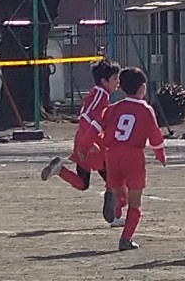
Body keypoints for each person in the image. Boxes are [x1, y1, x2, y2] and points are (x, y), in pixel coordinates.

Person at [41, 58, 124, 223]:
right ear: (104, 81)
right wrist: (90, 141)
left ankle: (60, 170)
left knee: (82, 183)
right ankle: (114, 214)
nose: (118, 82)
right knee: (115, 179)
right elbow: (85, 115)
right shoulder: (100, 94)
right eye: (115, 78)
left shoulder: (100, 94)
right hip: (92, 143)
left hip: (85, 141)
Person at [97, 67, 166, 251]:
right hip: (133, 155)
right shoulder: (145, 109)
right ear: (142, 88)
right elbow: (155, 136)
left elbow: (102, 125)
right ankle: (125, 239)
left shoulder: (114, 108)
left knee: (121, 191)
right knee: (135, 202)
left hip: (112, 153)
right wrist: (160, 155)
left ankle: (117, 202)